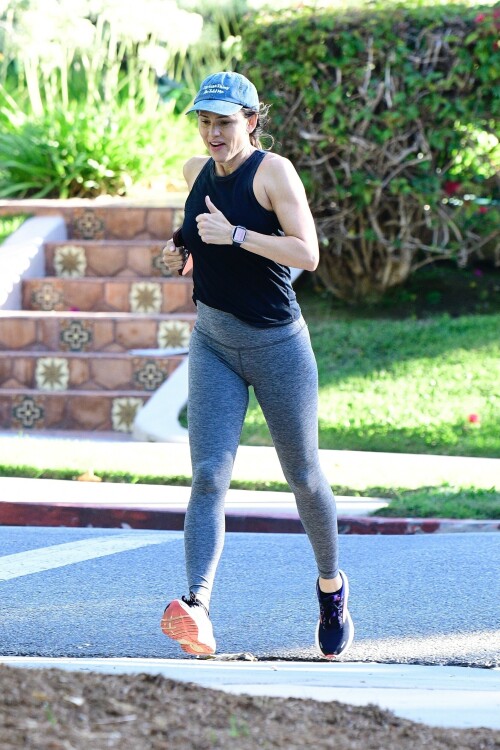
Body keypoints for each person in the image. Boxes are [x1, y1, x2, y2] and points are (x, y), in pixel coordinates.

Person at [160, 71, 354, 659]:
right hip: (213, 341)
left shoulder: (274, 172)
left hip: (277, 345)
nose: (213, 132)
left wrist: (238, 235)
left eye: (224, 121)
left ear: (251, 120)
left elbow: (308, 254)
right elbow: (197, 236)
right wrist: (181, 250)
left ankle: (331, 588)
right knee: (208, 475)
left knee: (304, 478)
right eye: (205, 120)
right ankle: (196, 607)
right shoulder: (195, 173)